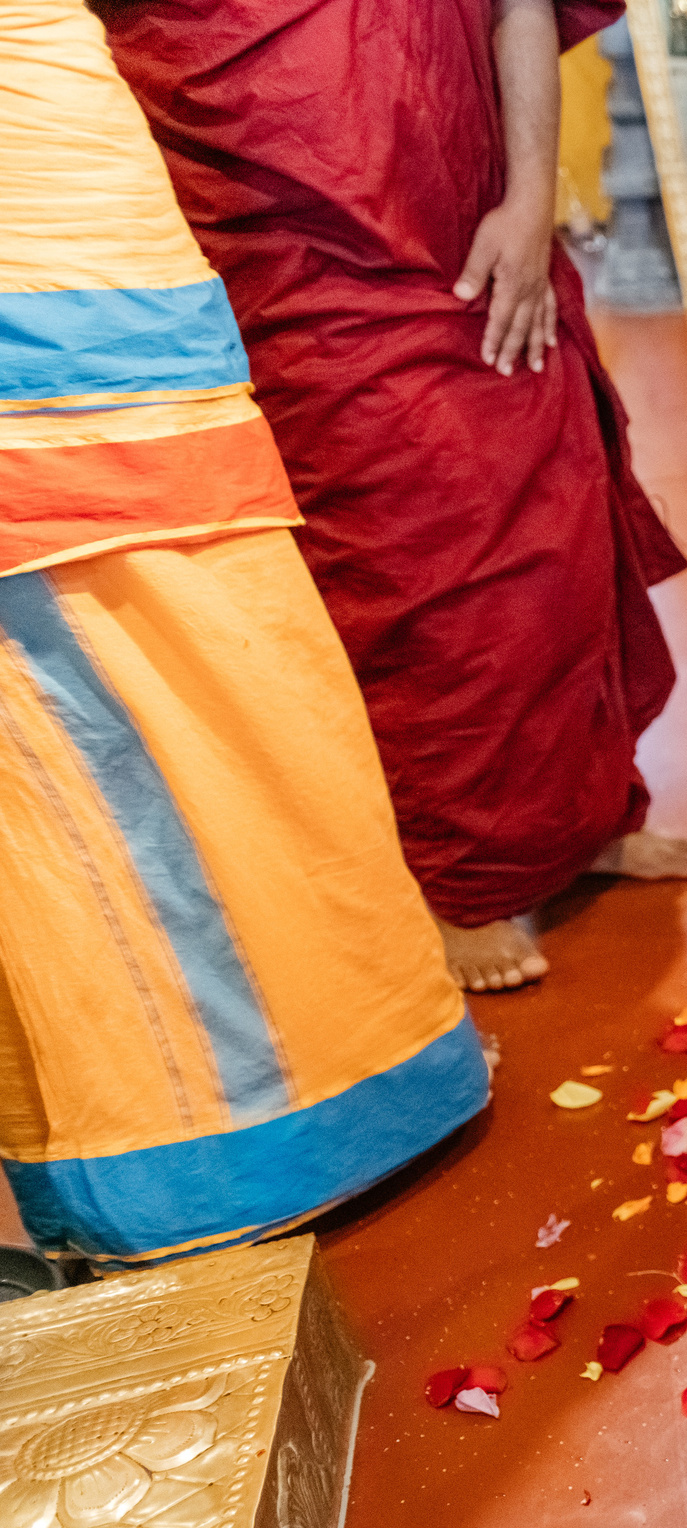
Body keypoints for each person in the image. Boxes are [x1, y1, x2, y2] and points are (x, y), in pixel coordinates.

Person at [0, 0, 488, 1267]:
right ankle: (203, 1156)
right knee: (82, 715)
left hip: (74, 190)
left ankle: (372, 1071)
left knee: (236, 648)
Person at [99, 0, 687, 993]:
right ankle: (457, 878)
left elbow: (520, 9)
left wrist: (525, 202)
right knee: (420, 577)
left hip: (480, 242)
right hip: (308, 278)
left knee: (561, 555)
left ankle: (584, 823)